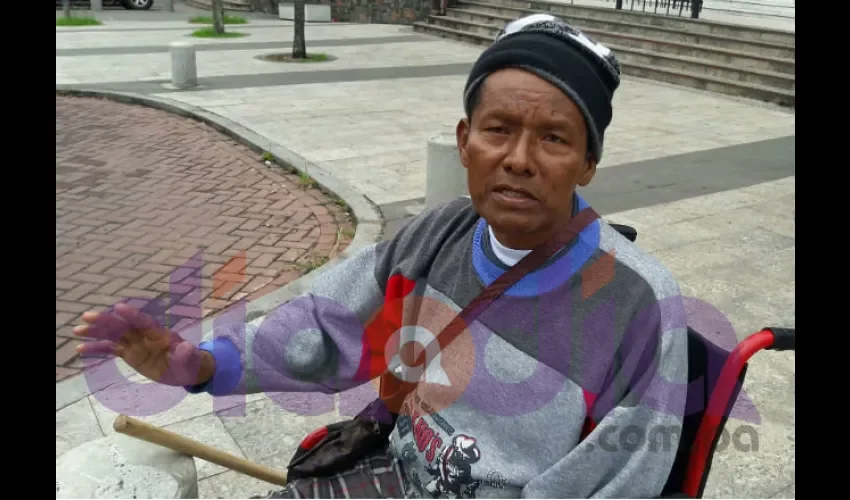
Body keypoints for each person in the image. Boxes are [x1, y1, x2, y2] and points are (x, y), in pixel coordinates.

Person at [74, 14, 689, 499]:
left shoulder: (638, 303)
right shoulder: (440, 232)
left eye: (554, 138)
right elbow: (328, 323)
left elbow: (617, 484)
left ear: (587, 162)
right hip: (396, 474)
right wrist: (203, 365)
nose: (520, 158)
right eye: (498, 129)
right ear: (464, 142)